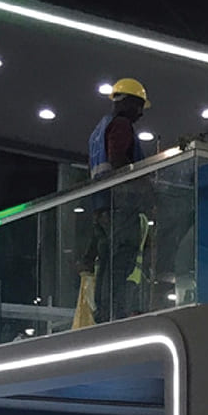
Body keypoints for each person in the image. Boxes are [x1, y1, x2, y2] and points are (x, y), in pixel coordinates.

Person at [84, 78, 151, 322]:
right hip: (120, 205)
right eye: (139, 106)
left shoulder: (98, 131)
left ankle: (104, 314)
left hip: (101, 206)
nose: (140, 113)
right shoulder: (121, 125)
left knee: (106, 264)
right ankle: (116, 314)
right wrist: (144, 187)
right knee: (120, 262)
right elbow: (118, 160)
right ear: (127, 102)